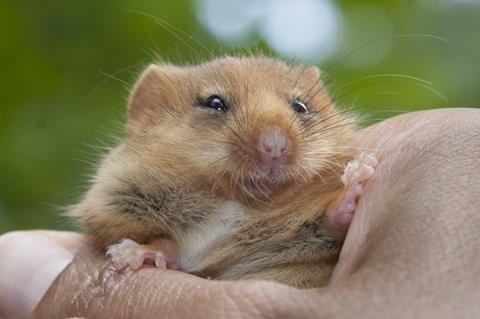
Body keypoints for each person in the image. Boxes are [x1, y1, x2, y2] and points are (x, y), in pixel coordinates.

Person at [1, 108, 479, 319]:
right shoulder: (148, 183)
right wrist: (158, 244)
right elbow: (108, 215)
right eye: (216, 105)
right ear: (147, 115)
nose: (274, 142)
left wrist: (336, 213)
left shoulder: (335, 180)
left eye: (299, 106)